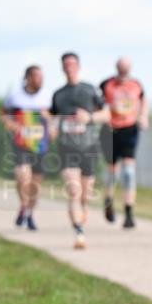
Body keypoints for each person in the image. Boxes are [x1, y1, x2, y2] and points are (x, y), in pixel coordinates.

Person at [49, 52, 110, 249]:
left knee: (85, 195)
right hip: (67, 147)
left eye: (72, 63)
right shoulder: (58, 94)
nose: (69, 67)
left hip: (89, 146)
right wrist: (51, 127)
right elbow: (51, 117)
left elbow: (107, 114)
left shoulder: (90, 89)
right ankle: (78, 232)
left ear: (78, 66)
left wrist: (89, 118)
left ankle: (81, 221)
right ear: (62, 68)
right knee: (73, 190)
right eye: (65, 64)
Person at [99, 57, 148, 229]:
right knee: (113, 173)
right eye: (120, 67)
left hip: (130, 130)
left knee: (128, 172)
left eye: (126, 68)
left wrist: (143, 117)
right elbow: (98, 104)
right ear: (116, 68)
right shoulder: (106, 84)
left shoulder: (136, 85)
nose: (123, 71)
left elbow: (143, 102)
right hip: (110, 131)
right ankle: (108, 201)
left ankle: (129, 213)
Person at [1, 65, 52, 229]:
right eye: (37, 77)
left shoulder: (48, 97)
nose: (40, 80)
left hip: (40, 144)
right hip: (21, 142)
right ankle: (23, 206)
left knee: (35, 183)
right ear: (28, 78)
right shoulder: (14, 96)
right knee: (22, 176)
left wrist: (50, 120)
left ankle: (29, 214)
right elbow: (3, 113)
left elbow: (55, 118)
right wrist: (10, 123)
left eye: (42, 77)